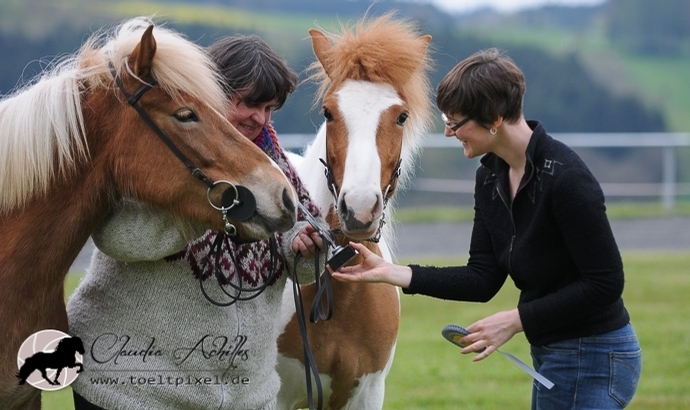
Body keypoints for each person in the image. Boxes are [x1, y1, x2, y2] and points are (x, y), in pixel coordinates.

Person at [333, 48, 642, 409]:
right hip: (554, 354)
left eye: (456, 121)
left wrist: (515, 320)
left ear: (494, 119)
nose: (448, 132)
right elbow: (482, 278)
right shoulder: (490, 176)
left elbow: (605, 283)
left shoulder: (567, 179)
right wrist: (391, 272)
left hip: (596, 357)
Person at [67, 34, 324, 410]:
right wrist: (215, 212)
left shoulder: (275, 167)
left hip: (245, 396)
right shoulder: (151, 146)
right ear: (209, 90)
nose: (261, 118)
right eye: (249, 103)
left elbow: (300, 262)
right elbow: (117, 237)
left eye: (270, 107)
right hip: (132, 388)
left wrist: (306, 249)